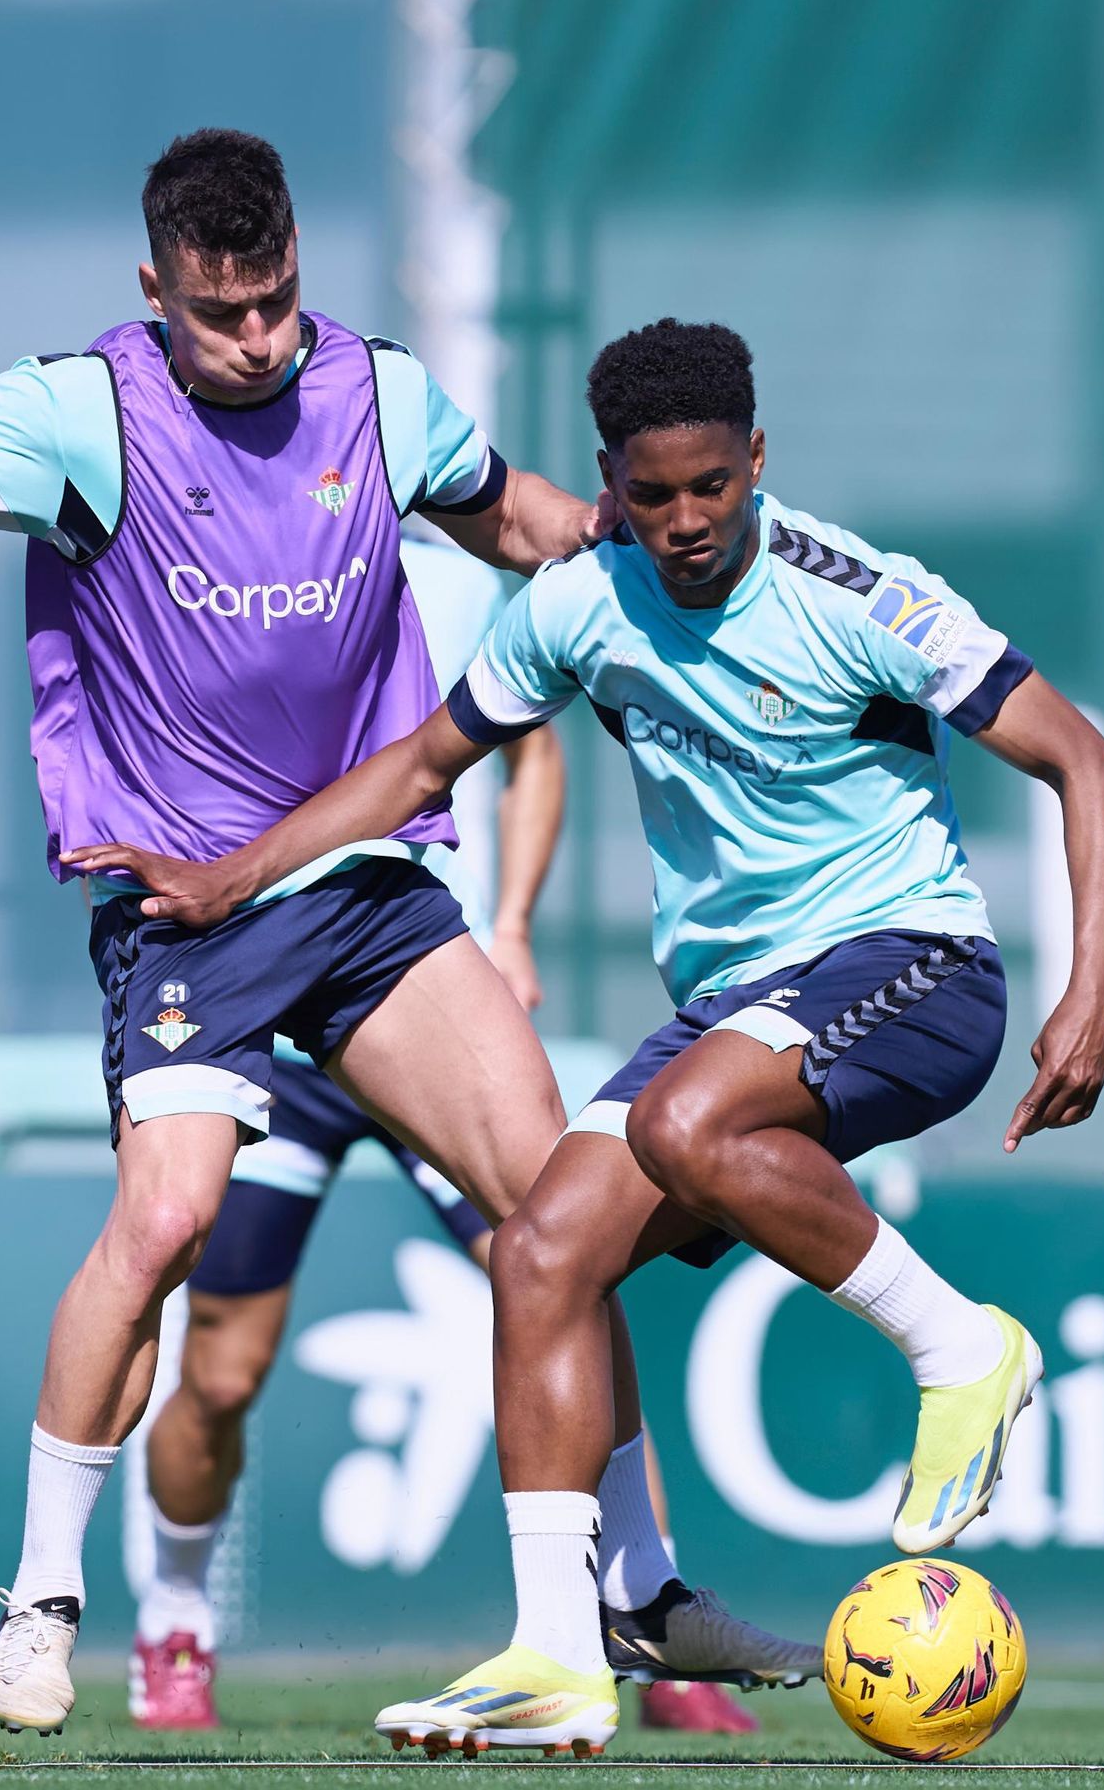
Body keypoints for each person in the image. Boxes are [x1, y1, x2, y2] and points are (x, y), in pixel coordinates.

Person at [0, 137, 807, 1742]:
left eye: (280, 296)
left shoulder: (376, 392)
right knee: (164, 1229)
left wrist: (657, 536)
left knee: (560, 1215)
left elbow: (518, 520)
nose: (261, 337)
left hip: (367, 891)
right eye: (224, 312)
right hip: (181, 907)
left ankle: (637, 1589)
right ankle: (42, 1600)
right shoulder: (74, 411)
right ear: (154, 293)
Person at [65, 317, 1104, 1758]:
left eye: (714, 486)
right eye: (654, 494)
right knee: (542, 1248)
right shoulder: (582, 606)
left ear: (758, 460)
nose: (688, 522)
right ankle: (560, 1658)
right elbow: (418, 767)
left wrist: (1093, 991)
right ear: (610, 484)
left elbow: (1088, 762)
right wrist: (238, 872)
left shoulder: (865, 597)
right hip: (735, 1006)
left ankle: (962, 1354)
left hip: (915, 965)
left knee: (682, 1130)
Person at [126, 530, 760, 1740]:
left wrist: (511, 924)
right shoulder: (227, 560)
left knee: (563, 1266)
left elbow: (534, 761)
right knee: (222, 1365)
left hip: (411, 995)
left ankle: (643, 1610)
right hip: (274, 1016)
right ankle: (176, 1618)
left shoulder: (468, 583)